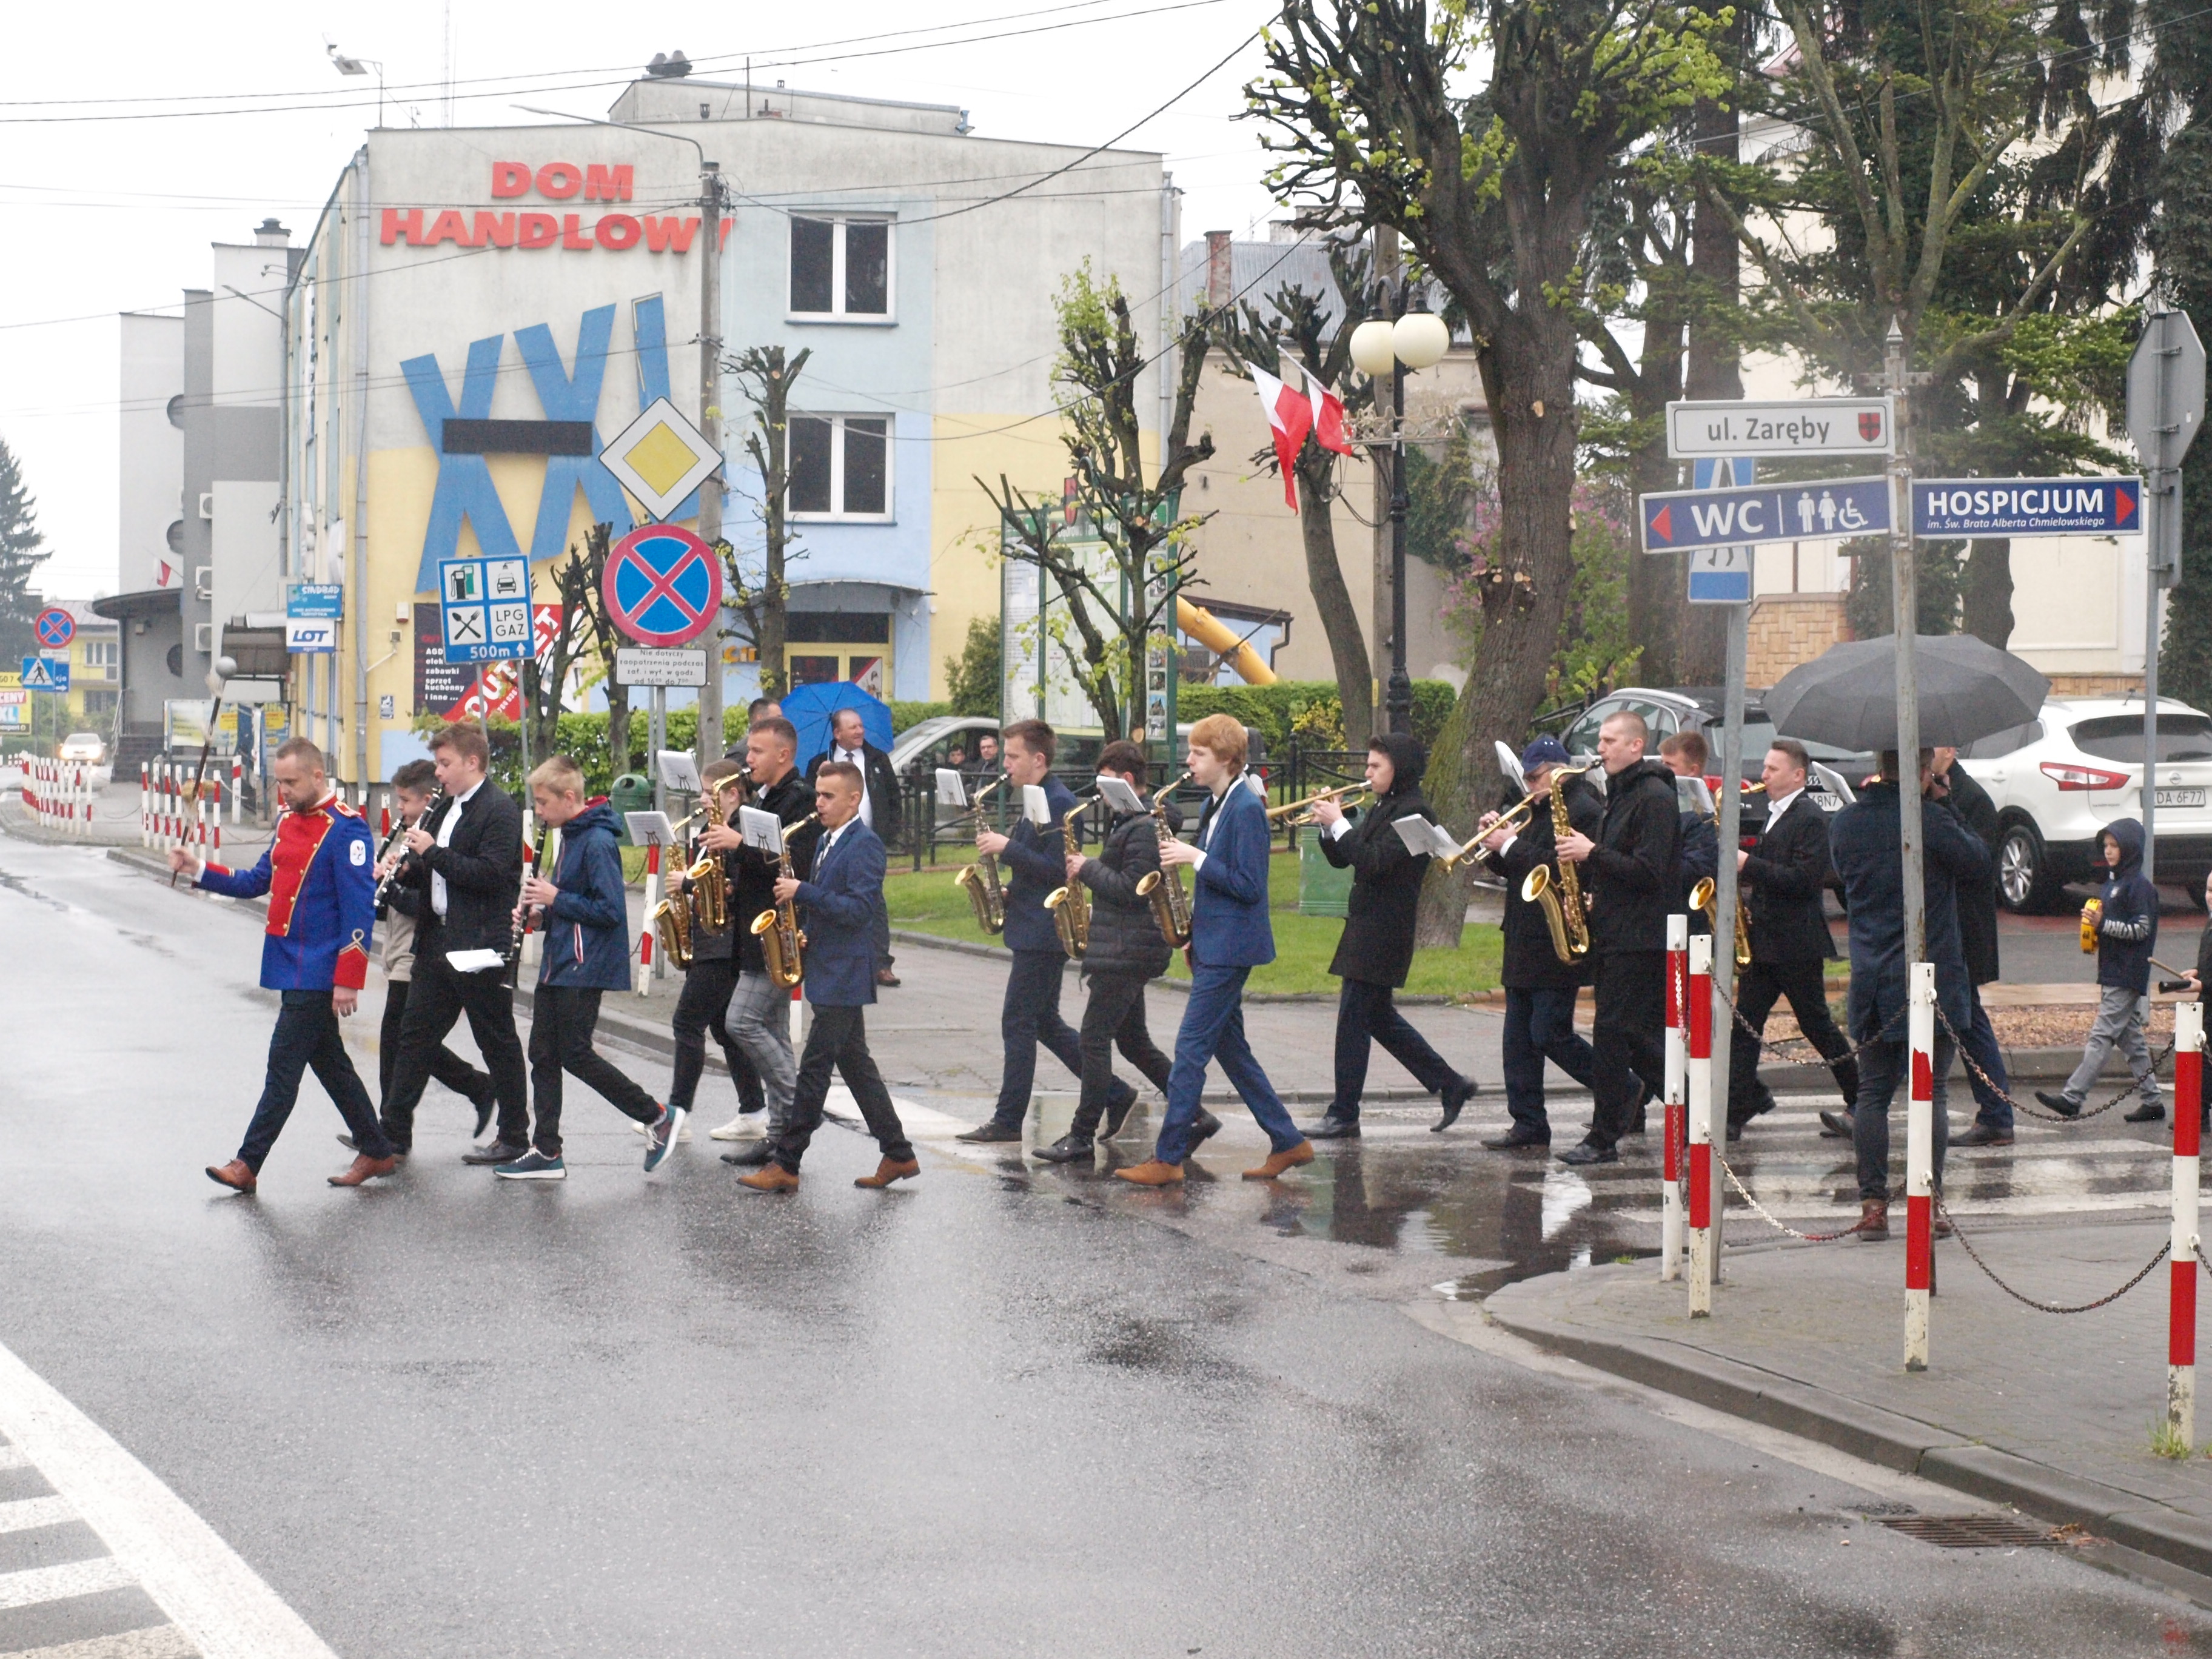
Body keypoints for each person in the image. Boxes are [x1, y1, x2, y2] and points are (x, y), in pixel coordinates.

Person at [176, 737, 401, 1192]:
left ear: (318, 776)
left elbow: (358, 910)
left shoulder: (348, 830)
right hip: (288, 962)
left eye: (291, 782)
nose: (284, 792)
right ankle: (377, 1150)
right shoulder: (286, 823)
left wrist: (348, 979)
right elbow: (258, 880)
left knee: (283, 1069)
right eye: (279, 783)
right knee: (331, 1065)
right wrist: (200, 868)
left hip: (318, 970)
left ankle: (247, 1163)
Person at [1117, 714, 1313, 1185]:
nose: (1189, 761)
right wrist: (1193, 935)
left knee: (1190, 1049)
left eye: (1198, 754)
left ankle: (1168, 1159)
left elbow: (1249, 886)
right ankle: (1288, 1141)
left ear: (1226, 758)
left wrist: (1195, 857)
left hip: (1232, 948)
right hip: (1213, 943)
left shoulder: (1246, 808)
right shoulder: (1216, 802)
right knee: (1233, 1052)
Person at [488, 758, 679, 1180]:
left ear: (568, 798)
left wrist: (555, 898)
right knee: (542, 1053)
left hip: (584, 964)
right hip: (562, 961)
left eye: (542, 802)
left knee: (574, 1053)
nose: (538, 811)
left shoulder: (595, 841)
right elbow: (573, 903)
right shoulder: (569, 836)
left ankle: (656, 1115)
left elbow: (611, 911)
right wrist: (541, 916)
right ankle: (547, 1150)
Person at [737, 763, 919, 1193]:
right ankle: (898, 1153)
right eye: (818, 795)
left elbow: (859, 910)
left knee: (815, 1069)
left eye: (828, 797)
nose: (818, 803)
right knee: (856, 1067)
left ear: (853, 800)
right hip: (828, 966)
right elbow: (830, 908)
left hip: (847, 974)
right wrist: (805, 932)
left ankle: (787, 1161)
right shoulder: (824, 841)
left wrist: (802, 892)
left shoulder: (866, 846)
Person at [1829, 748, 1987, 1239]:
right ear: (1923, 773)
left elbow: (1840, 879)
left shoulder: (1847, 823)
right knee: (1931, 1092)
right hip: (1929, 975)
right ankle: (1930, 1199)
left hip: (1874, 974)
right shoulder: (1931, 821)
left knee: (1873, 1093)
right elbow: (1980, 862)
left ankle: (1873, 1205)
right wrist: (1945, 801)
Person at [956, 720, 1139, 1144]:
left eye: (1013, 756)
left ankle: (1007, 1121)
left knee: (1017, 1022)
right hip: (1032, 922)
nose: (1006, 764)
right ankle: (1115, 1092)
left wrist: (1006, 847)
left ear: (1039, 760)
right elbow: (1037, 868)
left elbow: (1060, 868)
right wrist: (1009, 888)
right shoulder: (1038, 796)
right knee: (1044, 1022)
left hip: (1044, 931)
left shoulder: (1057, 802)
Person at [1033, 741, 1205, 1163]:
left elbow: (1133, 889)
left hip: (1128, 949)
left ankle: (1080, 1135)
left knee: (1094, 1039)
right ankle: (1196, 1114)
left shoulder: (1146, 827)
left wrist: (1087, 868)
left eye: (1105, 786)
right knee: (1133, 1042)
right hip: (1125, 945)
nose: (1101, 796)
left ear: (1126, 780)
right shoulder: (1134, 821)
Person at [1302, 732, 1478, 1139]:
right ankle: (1451, 1084)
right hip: (1367, 924)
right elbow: (1348, 858)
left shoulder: (1416, 814)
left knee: (1352, 1020)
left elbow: (1375, 861)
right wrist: (1329, 829)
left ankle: (1344, 1113)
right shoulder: (1386, 805)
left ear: (1398, 768)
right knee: (1378, 1018)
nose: (1366, 773)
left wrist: (1341, 823)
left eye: (1375, 766)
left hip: (1385, 930)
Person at [376, 723, 532, 1164]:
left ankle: (515, 1136)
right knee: (414, 1038)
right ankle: (391, 1135)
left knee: (496, 1040)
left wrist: (431, 855)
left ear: (472, 763)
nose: (439, 774)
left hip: (479, 944)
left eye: (446, 765)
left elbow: (493, 875)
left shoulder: (499, 809)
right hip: (436, 940)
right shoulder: (444, 809)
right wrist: (406, 872)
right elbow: (437, 874)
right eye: (439, 764)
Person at [1554, 709, 1680, 1165]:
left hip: (1641, 938)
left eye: (1609, 741)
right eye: (1601, 741)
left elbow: (1650, 871)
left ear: (1635, 746)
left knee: (1613, 1035)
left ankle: (1603, 1137)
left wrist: (1592, 853)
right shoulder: (1621, 794)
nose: (1600, 749)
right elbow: (1621, 867)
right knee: (1632, 1036)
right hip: (1616, 932)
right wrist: (1591, 891)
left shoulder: (1654, 798)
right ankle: (1693, 1104)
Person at [1724, 740, 1858, 1141]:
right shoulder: (1777, 813)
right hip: (1766, 939)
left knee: (1816, 1024)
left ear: (1798, 776)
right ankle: (1738, 1106)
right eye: (1764, 768)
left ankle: (1860, 1097)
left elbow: (1803, 881)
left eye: (1773, 769)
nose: (1763, 775)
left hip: (1796, 943)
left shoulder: (1810, 818)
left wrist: (1749, 865)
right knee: (1745, 1024)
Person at [1473, 736, 1602, 1150]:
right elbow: (1516, 868)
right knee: (1518, 1039)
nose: (1530, 787)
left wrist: (1511, 844)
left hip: (1557, 935)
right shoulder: (1535, 808)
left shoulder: (1583, 809)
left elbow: (1566, 869)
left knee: (1550, 1033)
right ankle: (1528, 1123)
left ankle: (1621, 1086)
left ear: (1558, 770)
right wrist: (1495, 845)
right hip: (1523, 933)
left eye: (1536, 777)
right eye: (1525, 779)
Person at [372, 759, 495, 1137]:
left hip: (419, 951)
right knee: (409, 1042)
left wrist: (392, 887)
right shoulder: (410, 837)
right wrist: (384, 883)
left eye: (405, 802)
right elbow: (393, 905)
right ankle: (475, 1087)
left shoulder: (433, 836)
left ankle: (391, 1132)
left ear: (427, 801)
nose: (399, 810)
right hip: (399, 950)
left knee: (403, 1041)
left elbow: (423, 901)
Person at [719, 717, 822, 1166]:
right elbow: (759, 864)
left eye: (758, 752)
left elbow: (791, 862)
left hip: (778, 930)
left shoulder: (798, 801)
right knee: (775, 1031)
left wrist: (738, 844)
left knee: (740, 1022)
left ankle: (801, 1106)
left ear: (784, 755)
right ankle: (781, 1136)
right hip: (754, 928)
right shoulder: (764, 798)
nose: (749, 759)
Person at [655, 760, 766, 1145]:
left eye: (709, 792)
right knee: (723, 1029)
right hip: (707, 938)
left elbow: (734, 885)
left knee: (687, 1023)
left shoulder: (740, 832)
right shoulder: (709, 830)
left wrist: (687, 883)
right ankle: (753, 1112)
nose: (702, 799)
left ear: (733, 795)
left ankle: (676, 1117)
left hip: (725, 943)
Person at [2037, 818, 2167, 1123]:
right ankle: (2153, 1101)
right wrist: (2094, 929)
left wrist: (2103, 925)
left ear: (2130, 848)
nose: (2108, 851)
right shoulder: (2113, 884)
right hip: (2114, 971)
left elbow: (2141, 931)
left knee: (2101, 1035)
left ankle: (2072, 1097)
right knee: (2131, 1040)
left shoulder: (2139, 887)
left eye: (2115, 846)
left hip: (2127, 973)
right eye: (2106, 845)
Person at [1932, 748, 2015, 1146]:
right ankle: (1997, 1114)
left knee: (1969, 1022)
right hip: (1943, 928)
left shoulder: (1973, 798)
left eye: (1931, 749)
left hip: (1963, 930)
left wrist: (1943, 809)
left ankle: (1998, 1115)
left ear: (1949, 752)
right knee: (1963, 1022)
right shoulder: (1934, 791)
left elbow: (1976, 864)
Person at [806, 706, 903, 986]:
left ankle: (881, 962)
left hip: (869, 839)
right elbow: (811, 799)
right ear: (837, 733)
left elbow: (892, 795)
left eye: (861, 726)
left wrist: (891, 831)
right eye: (853, 727)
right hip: (835, 840)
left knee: (874, 902)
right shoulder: (821, 762)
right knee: (840, 899)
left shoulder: (875, 758)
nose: (860, 731)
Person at [1660, 729, 1719, 931]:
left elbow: (1696, 868)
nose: (1662, 770)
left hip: (1691, 916)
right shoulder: (1664, 800)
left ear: (1693, 771)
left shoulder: (1704, 813)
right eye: (1662, 763)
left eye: (1669, 765)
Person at [725, 697, 783, 762]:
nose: (782, 722)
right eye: (777, 718)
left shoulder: (778, 748)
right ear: (760, 719)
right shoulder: (739, 753)